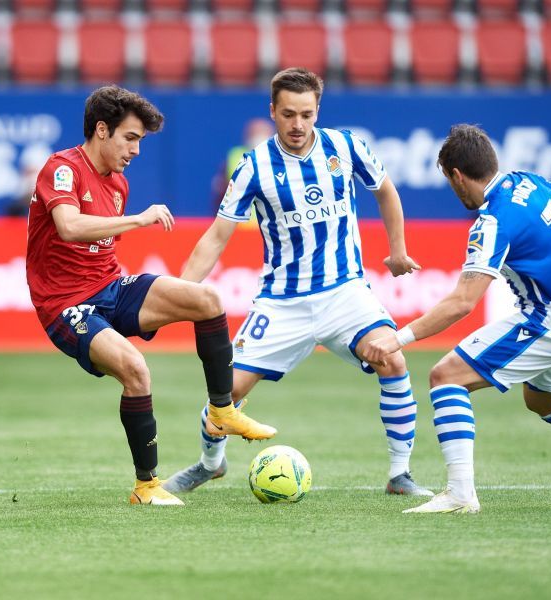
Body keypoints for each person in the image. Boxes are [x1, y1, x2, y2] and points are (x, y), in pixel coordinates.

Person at [161, 68, 433, 497]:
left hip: (345, 292)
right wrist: (173, 293)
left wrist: (397, 249)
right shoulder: (253, 167)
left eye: (306, 114)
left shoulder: (346, 147)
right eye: (288, 114)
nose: (298, 124)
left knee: (393, 360)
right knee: (224, 392)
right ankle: (210, 464)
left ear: (317, 110)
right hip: (281, 301)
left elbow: (385, 190)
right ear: (273, 111)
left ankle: (400, 475)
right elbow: (216, 237)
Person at [365, 124, 551, 514]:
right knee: (544, 400)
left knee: (445, 377)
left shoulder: (493, 221)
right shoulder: (530, 183)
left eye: (451, 183)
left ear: (456, 175)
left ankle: (460, 494)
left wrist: (396, 339)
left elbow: (462, 302)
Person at [25, 85, 276, 508]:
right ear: (101, 130)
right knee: (136, 371)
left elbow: (98, 249)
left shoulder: (118, 183)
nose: (137, 150)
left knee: (207, 300)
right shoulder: (62, 169)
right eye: (131, 137)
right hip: (66, 305)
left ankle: (221, 411)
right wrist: (138, 220)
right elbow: (68, 226)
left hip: (109, 288)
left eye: (140, 140)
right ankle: (147, 486)